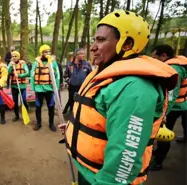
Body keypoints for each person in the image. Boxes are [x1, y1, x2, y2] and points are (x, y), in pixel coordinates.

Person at [58, 10, 178, 185]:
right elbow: (99, 116)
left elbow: (124, 157)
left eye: (101, 40)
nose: (92, 47)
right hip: (88, 169)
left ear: (127, 44)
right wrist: (73, 126)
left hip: (102, 178)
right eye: (94, 40)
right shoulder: (105, 73)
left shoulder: (135, 89)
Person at [149, 44, 187, 170]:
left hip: (176, 106)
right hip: (184, 103)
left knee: (163, 134)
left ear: (164, 56)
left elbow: (172, 94)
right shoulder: (180, 63)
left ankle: (158, 161)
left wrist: (163, 114)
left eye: (155, 57)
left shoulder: (174, 69)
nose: (153, 59)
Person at [30, 44, 60, 132]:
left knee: (51, 106)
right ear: (41, 53)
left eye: (48, 51)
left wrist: (56, 87)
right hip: (38, 88)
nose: (47, 53)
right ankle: (38, 123)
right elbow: (32, 75)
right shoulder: (36, 63)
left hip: (49, 88)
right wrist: (33, 87)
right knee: (38, 106)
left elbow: (57, 75)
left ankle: (51, 123)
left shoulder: (53, 63)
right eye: (45, 51)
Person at [62, 48, 92, 114]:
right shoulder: (69, 65)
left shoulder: (87, 64)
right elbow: (65, 75)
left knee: (81, 101)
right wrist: (69, 81)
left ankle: (78, 115)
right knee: (71, 100)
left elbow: (91, 75)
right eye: (81, 54)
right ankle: (69, 113)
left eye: (84, 54)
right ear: (76, 55)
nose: (83, 55)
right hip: (72, 86)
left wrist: (88, 84)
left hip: (82, 87)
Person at [7, 51, 30, 122]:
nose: (14, 57)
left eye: (15, 56)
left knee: (24, 101)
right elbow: (7, 72)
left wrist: (19, 75)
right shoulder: (10, 64)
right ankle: (16, 115)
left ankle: (26, 114)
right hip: (14, 86)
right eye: (13, 56)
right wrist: (10, 66)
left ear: (18, 57)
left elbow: (27, 73)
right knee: (15, 102)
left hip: (22, 86)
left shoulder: (23, 64)